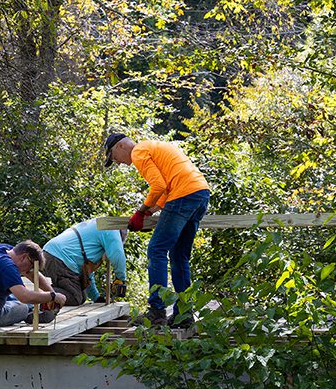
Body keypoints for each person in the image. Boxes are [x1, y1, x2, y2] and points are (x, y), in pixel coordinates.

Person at [104, 132, 211, 326]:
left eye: (113, 157)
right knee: (179, 256)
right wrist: (150, 211)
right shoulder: (153, 146)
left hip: (183, 196)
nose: (117, 162)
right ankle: (184, 314)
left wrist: (141, 211)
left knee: (156, 250)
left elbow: (158, 186)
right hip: (200, 193)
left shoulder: (138, 152)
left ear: (120, 146)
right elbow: (167, 187)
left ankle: (156, 311)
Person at [42, 219, 128, 306]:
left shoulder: (98, 227)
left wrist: (96, 297)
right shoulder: (111, 229)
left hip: (50, 254)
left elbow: (87, 274)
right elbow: (118, 254)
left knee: (82, 296)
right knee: (75, 297)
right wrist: (120, 278)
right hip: (60, 258)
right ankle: (38, 294)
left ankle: (43, 291)